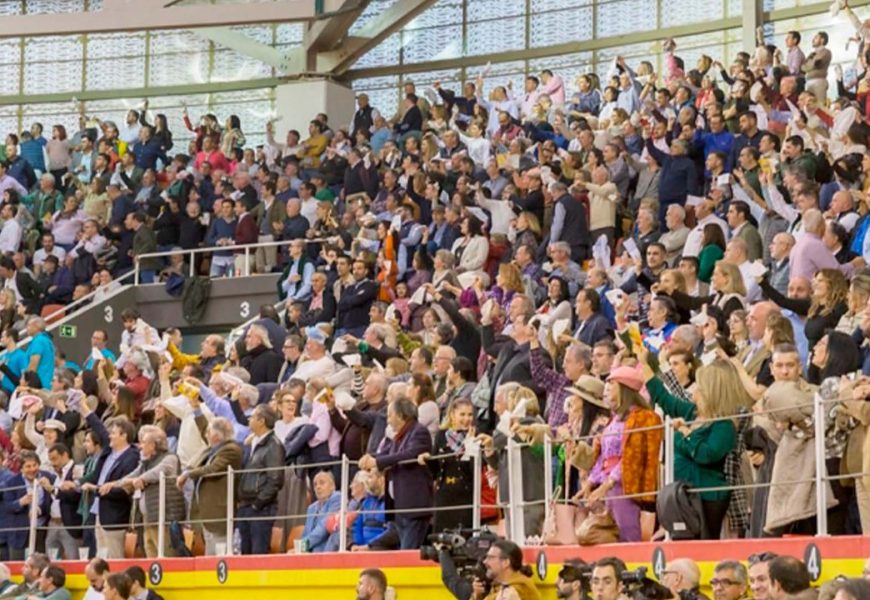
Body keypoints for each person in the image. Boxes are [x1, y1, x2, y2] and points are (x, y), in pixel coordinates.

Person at [358, 397, 432, 550]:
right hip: (400, 508)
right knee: (402, 553)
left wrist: (376, 462)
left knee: (408, 554)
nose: (388, 420)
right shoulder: (399, 436)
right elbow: (386, 453)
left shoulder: (419, 431)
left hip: (413, 508)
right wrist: (371, 458)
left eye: (390, 415)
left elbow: (409, 454)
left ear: (400, 415)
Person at [179, 415, 243, 556]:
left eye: (208, 432)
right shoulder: (214, 450)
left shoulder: (231, 450)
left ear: (215, 436)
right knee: (210, 555)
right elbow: (203, 430)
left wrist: (187, 474)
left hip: (220, 513)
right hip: (208, 514)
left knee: (220, 555)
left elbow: (212, 469)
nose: (206, 435)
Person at [237, 404, 284, 555]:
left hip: (260, 508)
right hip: (246, 506)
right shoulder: (252, 443)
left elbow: (275, 479)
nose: (249, 420)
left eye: (252, 417)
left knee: (258, 553)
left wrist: (258, 504)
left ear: (261, 421)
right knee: (245, 553)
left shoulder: (273, 445)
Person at [298, 470, 341, 553]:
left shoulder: (337, 498)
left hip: (326, 550)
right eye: (315, 484)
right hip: (309, 551)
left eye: (322, 483)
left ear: (332, 486)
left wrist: (302, 546)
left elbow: (323, 529)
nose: (318, 487)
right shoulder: (311, 508)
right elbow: (306, 532)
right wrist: (299, 549)